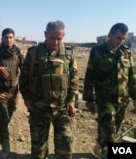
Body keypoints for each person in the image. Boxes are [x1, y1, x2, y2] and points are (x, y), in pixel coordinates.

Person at [19, 20, 79, 159]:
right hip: (38, 108)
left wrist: (71, 100)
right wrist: (27, 98)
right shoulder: (33, 53)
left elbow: (74, 79)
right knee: (39, 148)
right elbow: (24, 78)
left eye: (59, 38)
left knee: (65, 147)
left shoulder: (68, 54)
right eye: (52, 38)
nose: (56, 42)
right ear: (45, 34)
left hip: (62, 108)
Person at [83, 23, 136, 159]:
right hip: (105, 100)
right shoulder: (97, 51)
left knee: (114, 130)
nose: (121, 41)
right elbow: (90, 76)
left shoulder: (127, 52)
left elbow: (132, 77)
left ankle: (101, 145)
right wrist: (88, 98)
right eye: (118, 38)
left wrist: (135, 97)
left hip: (122, 101)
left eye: (123, 38)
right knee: (110, 133)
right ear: (110, 35)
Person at [0, 28, 24, 158]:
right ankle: (5, 147)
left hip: (14, 92)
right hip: (0, 92)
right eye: (5, 37)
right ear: (2, 39)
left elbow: (25, 71)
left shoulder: (18, 54)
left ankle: (1, 132)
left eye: (10, 37)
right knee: (3, 119)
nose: (8, 40)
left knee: (8, 116)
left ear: (14, 38)